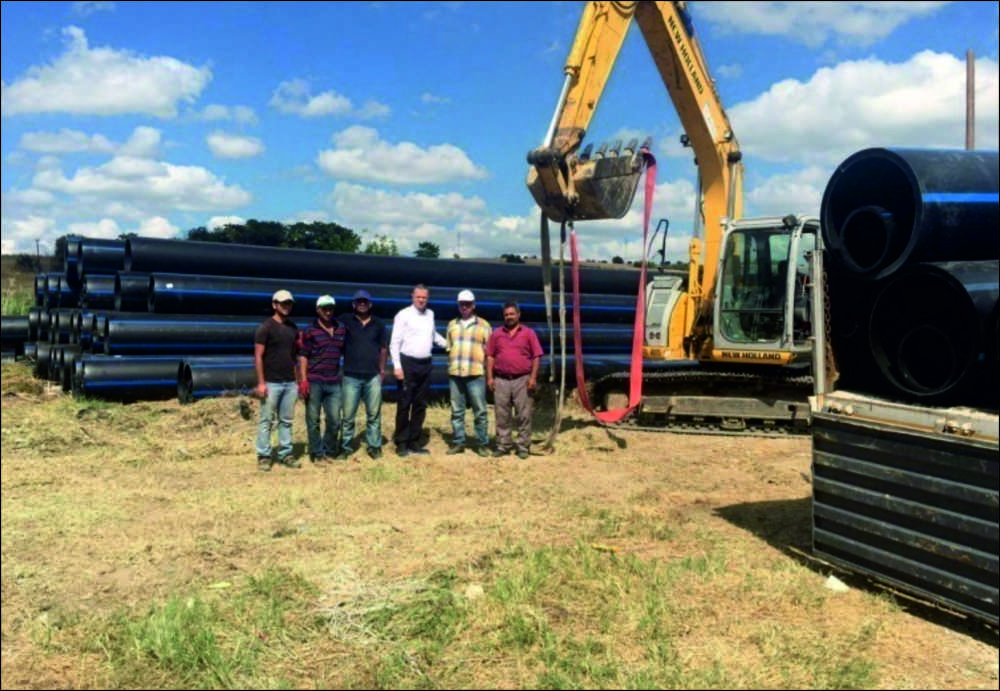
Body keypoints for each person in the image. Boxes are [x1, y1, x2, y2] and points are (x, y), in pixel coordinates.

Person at [390, 283, 447, 457]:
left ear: (427, 298)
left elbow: (433, 335)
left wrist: (448, 344)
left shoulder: (430, 314)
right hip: (408, 363)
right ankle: (401, 442)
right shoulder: (403, 315)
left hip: (426, 363)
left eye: (424, 297)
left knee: (420, 404)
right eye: (418, 297)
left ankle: (414, 441)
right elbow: (394, 342)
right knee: (405, 403)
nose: (421, 300)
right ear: (412, 297)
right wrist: (397, 366)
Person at [486, 300, 544, 459]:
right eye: (506, 315)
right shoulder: (497, 334)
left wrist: (533, 378)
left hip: (522, 380)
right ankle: (503, 444)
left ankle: (523, 446)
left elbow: (536, 356)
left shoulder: (528, 333)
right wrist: (490, 378)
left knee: (524, 414)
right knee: (502, 414)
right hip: (501, 380)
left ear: (519, 314)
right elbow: (490, 356)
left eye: (512, 314)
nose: (509, 317)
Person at [338, 289, 389, 460]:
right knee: (348, 415)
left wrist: (382, 370)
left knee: (373, 414)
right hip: (350, 375)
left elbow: (383, 349)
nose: (362, 304)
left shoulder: (379, 324)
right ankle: (345, 447)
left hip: (372, 375)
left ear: (370, 304)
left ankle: (374, 446)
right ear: (353, 304)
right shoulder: (345, 320)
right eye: (359, 301)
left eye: (365, 301)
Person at [254, 289, 300, 471]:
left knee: (286, 420)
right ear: (274, 305)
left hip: (289, 382)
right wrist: (261, 382)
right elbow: (258, 356)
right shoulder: (265, 328)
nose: (286, 307)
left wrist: (297, 380)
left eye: (289, 303)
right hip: (271, 382)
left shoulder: (292, 328)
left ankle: (285, 453)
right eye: (283, 303)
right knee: (267, 420)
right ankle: (264, 455)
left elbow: (294, 355)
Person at [297, 294, 346, 464]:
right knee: (313, 419)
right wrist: (303, 380)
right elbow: (303, 356)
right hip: (314, 380)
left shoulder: (341, 329)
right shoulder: (310, 330)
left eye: (330, 308)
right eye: (324, 308)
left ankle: (329, 450)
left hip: (333, 381)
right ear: (318, 310)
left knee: (334, 420)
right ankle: (317, 454)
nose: (327, 311)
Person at [445, 289, 492, 457]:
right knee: (457, 411)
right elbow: (449, 348)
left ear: (474, 305)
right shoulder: (452, 325)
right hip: (456, 374)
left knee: (480, 410)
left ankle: (482, 443)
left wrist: (489, 375)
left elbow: (489, 352)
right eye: (461, 304)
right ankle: (459, 441)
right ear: (458, 305)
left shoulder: (484, 325)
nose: (464, 307)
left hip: (476, 373)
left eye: (467, 304)